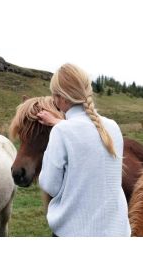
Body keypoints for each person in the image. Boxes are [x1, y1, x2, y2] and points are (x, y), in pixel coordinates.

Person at [37, 63, 131, 237]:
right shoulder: (113, 127)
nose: (54, 100)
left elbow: (50, 185)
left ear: (62, 98)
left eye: (54, 95)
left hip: (74, 231)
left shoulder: (61, 132)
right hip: (117, 231)